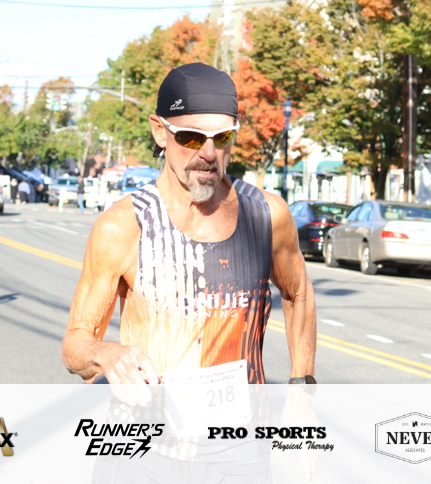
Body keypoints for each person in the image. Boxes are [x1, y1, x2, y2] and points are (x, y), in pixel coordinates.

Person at [62, 61, 316, 387]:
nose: (209, 153)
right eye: (192, 138)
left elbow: (298, 294)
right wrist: (106, 353)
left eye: (222, 137)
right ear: (160, 131)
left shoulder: (266, 215)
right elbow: (76, 343)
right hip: (154, 417)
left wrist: (302, 388)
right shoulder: (123, 226)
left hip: (247, 418)